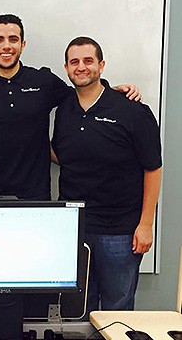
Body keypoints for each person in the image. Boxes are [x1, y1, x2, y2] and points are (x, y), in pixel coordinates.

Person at [0, 14, 141, 201]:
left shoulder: (43, 81)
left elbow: (82, 95)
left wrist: (112, 91)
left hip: (36, 195)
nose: (6, 46)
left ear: (23, 44)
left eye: (13, 39)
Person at [52, 37, 162, 311]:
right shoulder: (64, 108)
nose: (81, 67)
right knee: (77, 310)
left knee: (118, 308)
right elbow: (63, 154)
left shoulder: (132, 110)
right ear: (66, 68)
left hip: (120, 232)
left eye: (88, 61)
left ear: (101, 65)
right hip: (75, 227)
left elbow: (153, 168)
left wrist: (146, 224)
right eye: (74, 62)